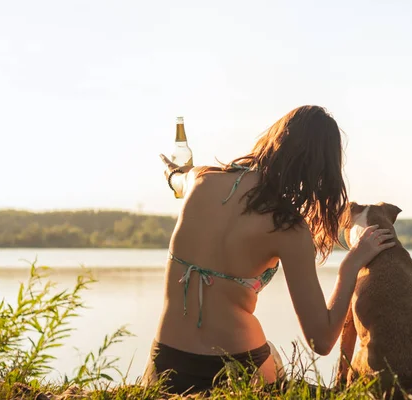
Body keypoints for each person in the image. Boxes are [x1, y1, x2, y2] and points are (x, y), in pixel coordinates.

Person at [141, 105, 396, 394]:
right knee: (274, 358)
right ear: (321, 171)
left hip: (166, 364)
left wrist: (170, 169)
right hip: (234, 369)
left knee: (271, 355)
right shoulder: (287, 227)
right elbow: (321, 341)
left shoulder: (201, 179)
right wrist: (352, 264)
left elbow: (177, 175)